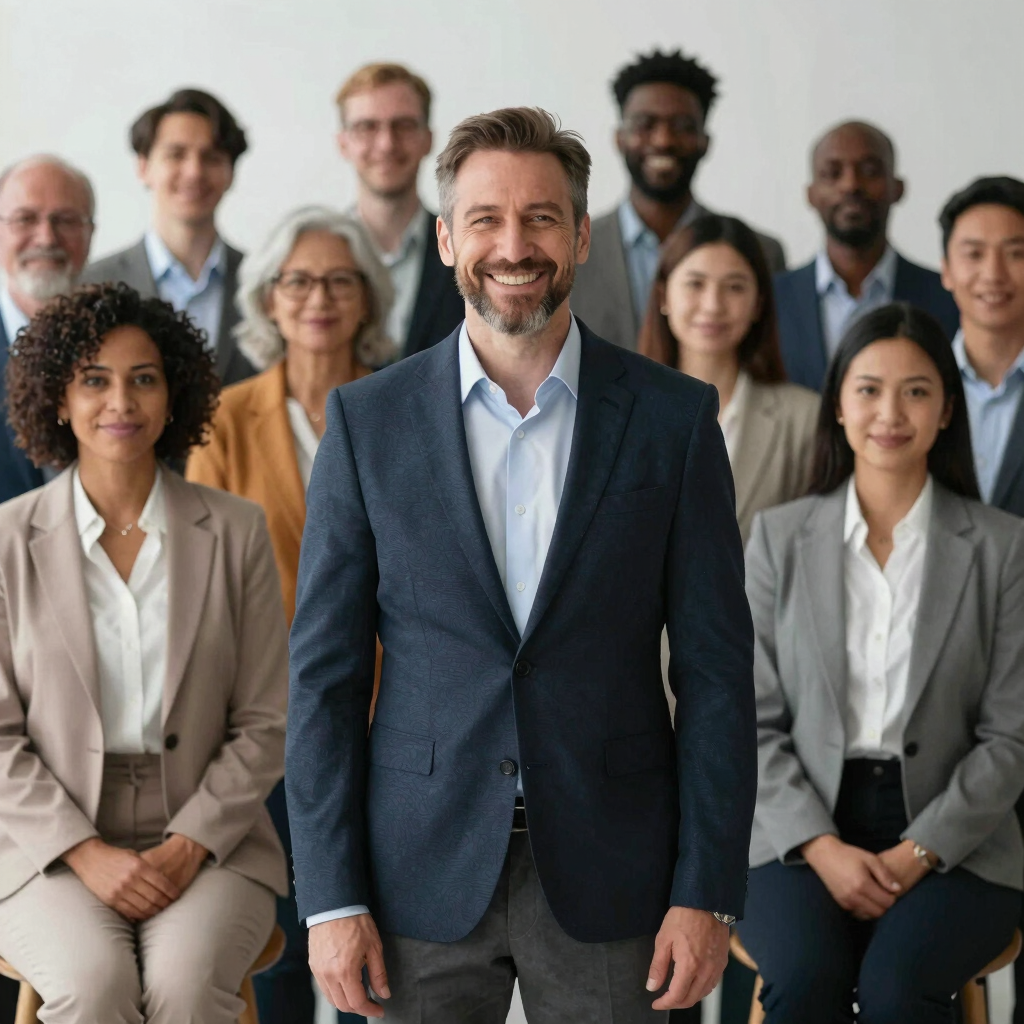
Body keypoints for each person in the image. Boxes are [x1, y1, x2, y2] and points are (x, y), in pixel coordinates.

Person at [286, 105, 756, 1024]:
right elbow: (325, 680)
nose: (514, 244)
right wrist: (331, 897)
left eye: (541, 217)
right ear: (447, 238)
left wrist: (707, 890)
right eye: (487, 220)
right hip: (413, 872)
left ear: (580, 234)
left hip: (619, 870)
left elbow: (715, 674)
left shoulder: (673, 419)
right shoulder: (366, 423)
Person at [0, 282, 289, 1022]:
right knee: (94, 987)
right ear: (59, 400)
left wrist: (189, 844)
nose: (120, 402)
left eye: (143, 379)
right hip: (46, 846)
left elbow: (267, 720)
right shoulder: (8, 540)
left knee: (185, 989)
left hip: (211, 832)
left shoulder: (236, 530)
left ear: (173, 399)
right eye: (94, 380)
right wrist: (85, 853)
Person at [737, 302, 1024, 1023]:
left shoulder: (1003, 548)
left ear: (947, 410)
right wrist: (822, 847)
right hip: (794, 828)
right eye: (868, 389)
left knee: (900, 993)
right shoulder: (777, 538)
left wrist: (918, 851)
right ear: (837, 404)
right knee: (806, 981)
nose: (889, 412)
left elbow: (1011, 738)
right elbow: (749, 721)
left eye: (916, 390)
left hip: (958, 833)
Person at [187, 205, 393, 1024]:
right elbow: (199, 580)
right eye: (297, 280)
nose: (319, 297)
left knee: (372, 955)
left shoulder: (404, 407)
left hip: (388, 715)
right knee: (269, 955)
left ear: (369, 298)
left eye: (341, 280)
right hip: (260, 722)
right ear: (268, 300)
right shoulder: (224, 417)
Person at [938, 175, 1024, 1023]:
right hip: (947, 711)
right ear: (944, 268)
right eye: (975, 251)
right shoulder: (910, 386)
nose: (995, 272)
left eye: (1017, 251)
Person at [572, 49, 785, 351]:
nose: (663, 140)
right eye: (646, 124)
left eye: (683, 126)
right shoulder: (571, 250)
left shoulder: (762, 252)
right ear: (619, 138)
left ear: (705, 142)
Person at [639, 213, 817, 544]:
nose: (713, 306)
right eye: (695, 284)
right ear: (663, 296)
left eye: (734, 287)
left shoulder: (804, 419)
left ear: (758, 304)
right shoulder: (622, 413)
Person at [82, 88, 256, 385]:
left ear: (230, 172)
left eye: (211, 157)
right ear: (144, 167)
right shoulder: (92, 286)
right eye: (176, 154)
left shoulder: (263, 282)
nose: (193, 171)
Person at [774, 121, 959, 392]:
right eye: (832, 173)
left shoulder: (948, 297)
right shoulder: (770, 298)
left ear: (898, 188)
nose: (851, 185)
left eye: (870, 171)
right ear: (810, 194)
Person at [336, 62, 464, 359]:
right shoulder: (315, 259)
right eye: (367, 127)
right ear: (343, 144)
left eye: (404, 125)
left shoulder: (465, 249)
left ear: (428, 139)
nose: (386, 144)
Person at [0, 155, 95, 504]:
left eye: (65, 220)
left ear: (90, 233)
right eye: (25, 219)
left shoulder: (124, 346)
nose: (46, 237)